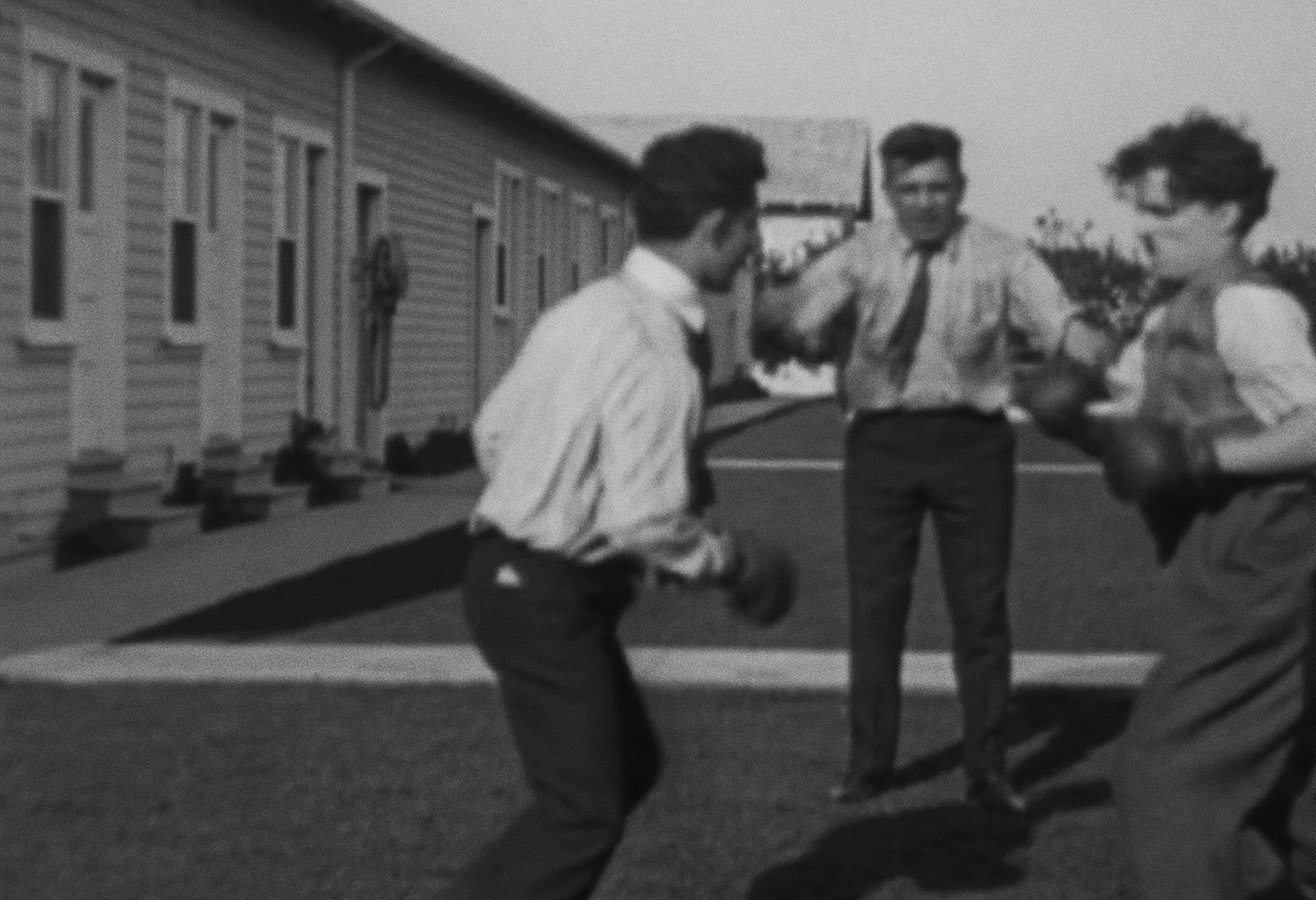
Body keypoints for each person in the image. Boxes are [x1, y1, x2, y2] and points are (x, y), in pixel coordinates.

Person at [1026, 110, 1316, 899]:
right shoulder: (1167, 316)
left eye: (1162, 213)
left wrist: (1205, 456)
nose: (1143, 232)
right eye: (1140, 212)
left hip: (1266, 552)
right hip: (1211, 552)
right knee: (1289, 778)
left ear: (1225, 215)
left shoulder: (1249, 308)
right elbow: (1138, 442)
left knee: (1165, 770)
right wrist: (1069, 414)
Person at [438, 126, 795, 900]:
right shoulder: (658, 352)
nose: (753, 250)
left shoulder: (583, 310)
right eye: (752, 229)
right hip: (541, 596)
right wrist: (730, 561)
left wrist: (561, 506)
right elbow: (646, 520)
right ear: (713, 229)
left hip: (512, 579)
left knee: (627, 768)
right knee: (584, 814)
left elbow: (494, 433)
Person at [757, 122, 1097, 812]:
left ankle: (989, 768)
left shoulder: (1002, 255)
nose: (924, 202)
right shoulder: (858, 254)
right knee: (876, 610)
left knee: (980, 612)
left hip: (973, 445)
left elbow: (1064, 323)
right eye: (909, 188)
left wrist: (1097, 357)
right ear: (886, 191)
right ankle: (868, 765)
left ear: (961, 187)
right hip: (880, 446)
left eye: (939, 187)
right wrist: (789, 313)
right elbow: (793, 317)